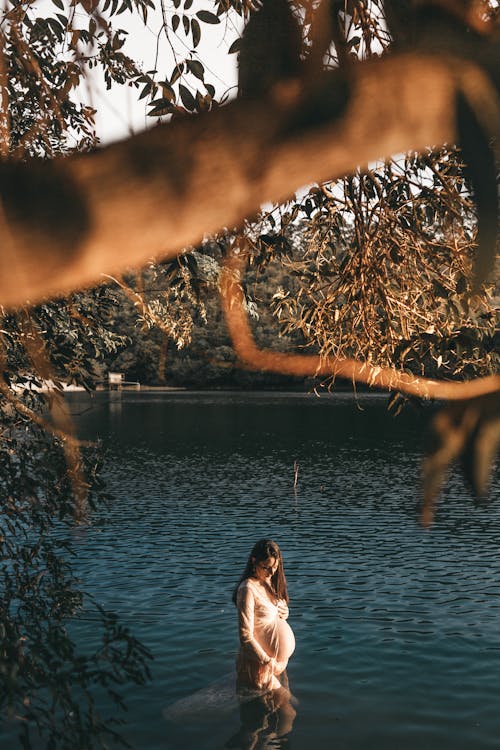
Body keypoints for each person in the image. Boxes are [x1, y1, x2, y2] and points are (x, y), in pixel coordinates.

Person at [233, 539, 295, 692]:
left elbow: (267, 618)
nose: (271, 572)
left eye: (275, 567)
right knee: (288, 713)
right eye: (266, 567)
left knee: (286, 712)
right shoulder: (247, 589)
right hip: (260, 668)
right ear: (254, 561)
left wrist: (285, 613)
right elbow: (245, 636)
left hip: (277, 666)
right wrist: (269, 663)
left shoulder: (270, 582)